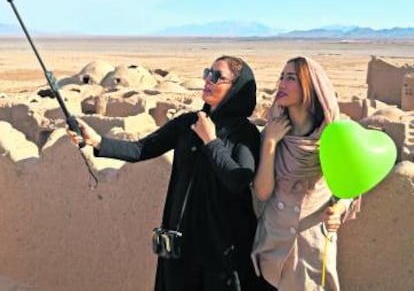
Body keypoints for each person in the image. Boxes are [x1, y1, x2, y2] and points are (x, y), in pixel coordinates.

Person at [68, 55, 268, 291]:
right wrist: (98, 141)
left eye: (217, 76)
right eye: (207, 72)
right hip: (182, 246)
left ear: (235, 88)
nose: (208, 80)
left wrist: (211, 141)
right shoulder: (188, 123)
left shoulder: (244, 133)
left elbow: (238, 179)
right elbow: (141, 149)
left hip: (223, 249)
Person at [251, 56, 360, 291]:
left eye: (291, 78)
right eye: (281, 77)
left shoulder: (332, 138)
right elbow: (262, 192)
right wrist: (270, 143)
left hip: (312, 251)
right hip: (273, 249)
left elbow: (350, 184)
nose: (281, 83)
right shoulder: (272, 132)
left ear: (310, 86)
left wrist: (339, 210)